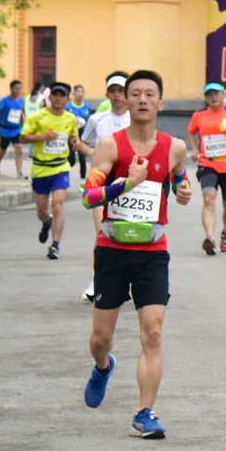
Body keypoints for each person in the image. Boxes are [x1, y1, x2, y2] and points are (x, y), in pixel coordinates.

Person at [79, 70, 194, 438]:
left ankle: (145, 413)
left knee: (153, 334)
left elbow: (178, 174)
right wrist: (126, 183)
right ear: (125, 102)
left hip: (152, 253)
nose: (143, 100)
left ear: (161, 104)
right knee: (101, 338)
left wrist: (184, 188)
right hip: (112, 251)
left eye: (150, 94)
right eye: (136, 94)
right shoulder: (110, 146)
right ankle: (103, 366)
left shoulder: (174, 146)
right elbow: (88, 197)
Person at [78, 75, 132, 301]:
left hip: (131, 186)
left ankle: (131, 282)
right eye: (113, 90)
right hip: (101, 185)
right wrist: (94, 154)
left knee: (131, 234)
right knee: (103, 234)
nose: (117, 95)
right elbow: (81, 142)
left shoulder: (137, 119)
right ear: (107, 94)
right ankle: (98, 281)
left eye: (121, 90)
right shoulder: (97, 119)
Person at [20, 81, 83, 259]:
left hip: (60, 168)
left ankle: (55, 245)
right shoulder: (37, 117)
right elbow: (23, 137)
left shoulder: (70, 118)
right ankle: (46, 223)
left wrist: (76, 141)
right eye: (55, 94)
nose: (57, 98)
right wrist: (43, 137)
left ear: (67, 98)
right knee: (42, 211)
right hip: (40, 168)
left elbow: (73, 134)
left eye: (62, 95)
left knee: (57, 205)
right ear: (49, 97)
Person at [186, 81, 226, 255]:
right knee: (209, 198)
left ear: (223, 95)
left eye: (216, 93)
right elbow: (191, 131)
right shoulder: (199, 115)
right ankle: (210, 238)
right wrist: (194, 149)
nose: (213, 97)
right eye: (209, 94)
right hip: (207, 164)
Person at [0, 79, 28, 177]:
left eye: (19, 88)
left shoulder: (20, 100)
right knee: (3, 151)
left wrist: (23, 117)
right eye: (16, 88)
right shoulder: (5, 100)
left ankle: (19, 172)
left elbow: (21, 111)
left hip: (16, 129)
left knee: (19, 150)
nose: (18, 90)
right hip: (5, 130)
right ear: (11, 89)